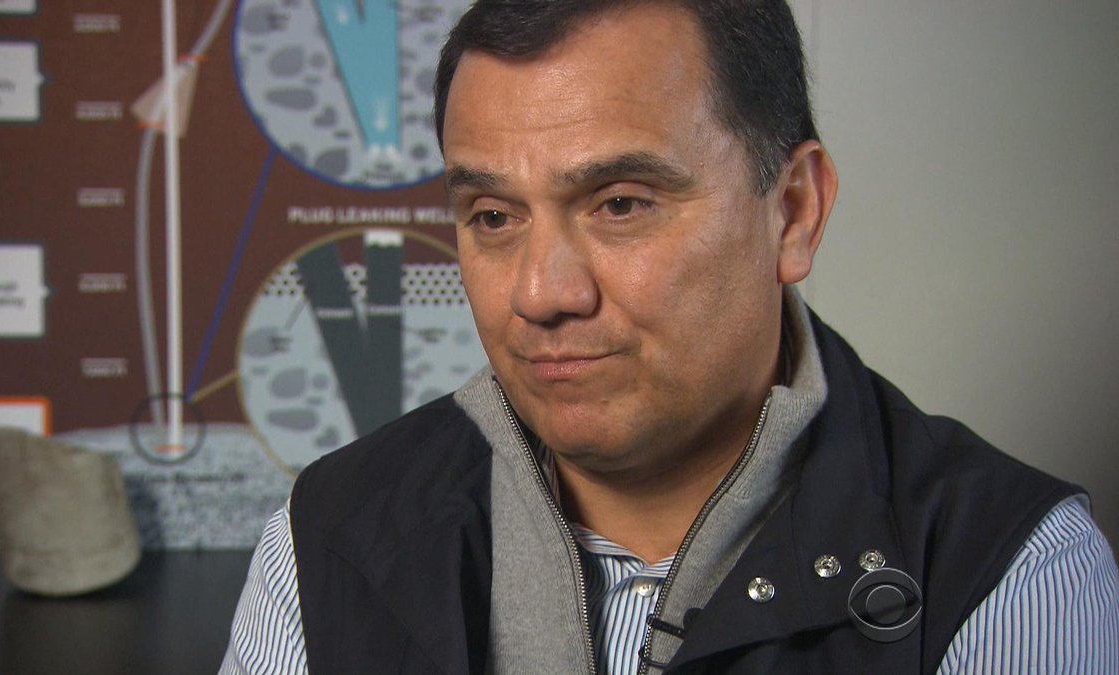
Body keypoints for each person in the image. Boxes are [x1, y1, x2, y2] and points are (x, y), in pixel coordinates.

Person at [222, 1, 1119, 672]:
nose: (541, 293)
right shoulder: (321, 542)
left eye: (620, 204)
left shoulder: (1011, 571)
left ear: (793, 211)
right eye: (493, 215)